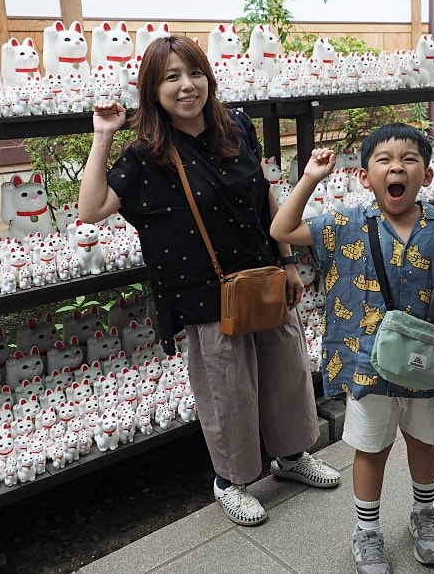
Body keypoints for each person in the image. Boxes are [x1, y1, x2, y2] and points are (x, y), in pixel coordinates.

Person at [78, 34, 340, 527]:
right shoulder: (145, 154)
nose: (186, 86)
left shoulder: (236, 126)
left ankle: (290, 458)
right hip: (204, 292)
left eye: (193, 73)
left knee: (286, 369)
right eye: (171, 77)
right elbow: (91, 209)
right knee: (228, 390)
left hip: (262, 274)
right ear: (152, 90)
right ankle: (231, 480)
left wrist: (286, 261)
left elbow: (264, 195)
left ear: (208, 77)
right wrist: (103, 134)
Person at [270, 123, 434, 573]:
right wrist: (312, 177)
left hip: (427, 364)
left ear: (427, 176)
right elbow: (282, 228)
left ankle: (423, 514)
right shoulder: (346, 224)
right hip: (367, 365)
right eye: (384, 160)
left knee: (423, 441)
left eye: (410, 160)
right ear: (364, 176)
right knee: (371, 448)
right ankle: (367, 532)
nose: (397, 167)